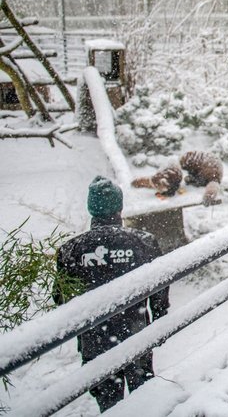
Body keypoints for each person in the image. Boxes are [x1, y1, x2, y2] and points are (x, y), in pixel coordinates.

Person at [53, 176, 170, 412]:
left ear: (91, 209)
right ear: (119, 207)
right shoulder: (143, 242)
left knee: (108, 401)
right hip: (136, 332)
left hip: (95, 339)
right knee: (143, 396)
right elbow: (160, 285)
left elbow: (61, 297)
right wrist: (159, 318)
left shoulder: (71, 250)